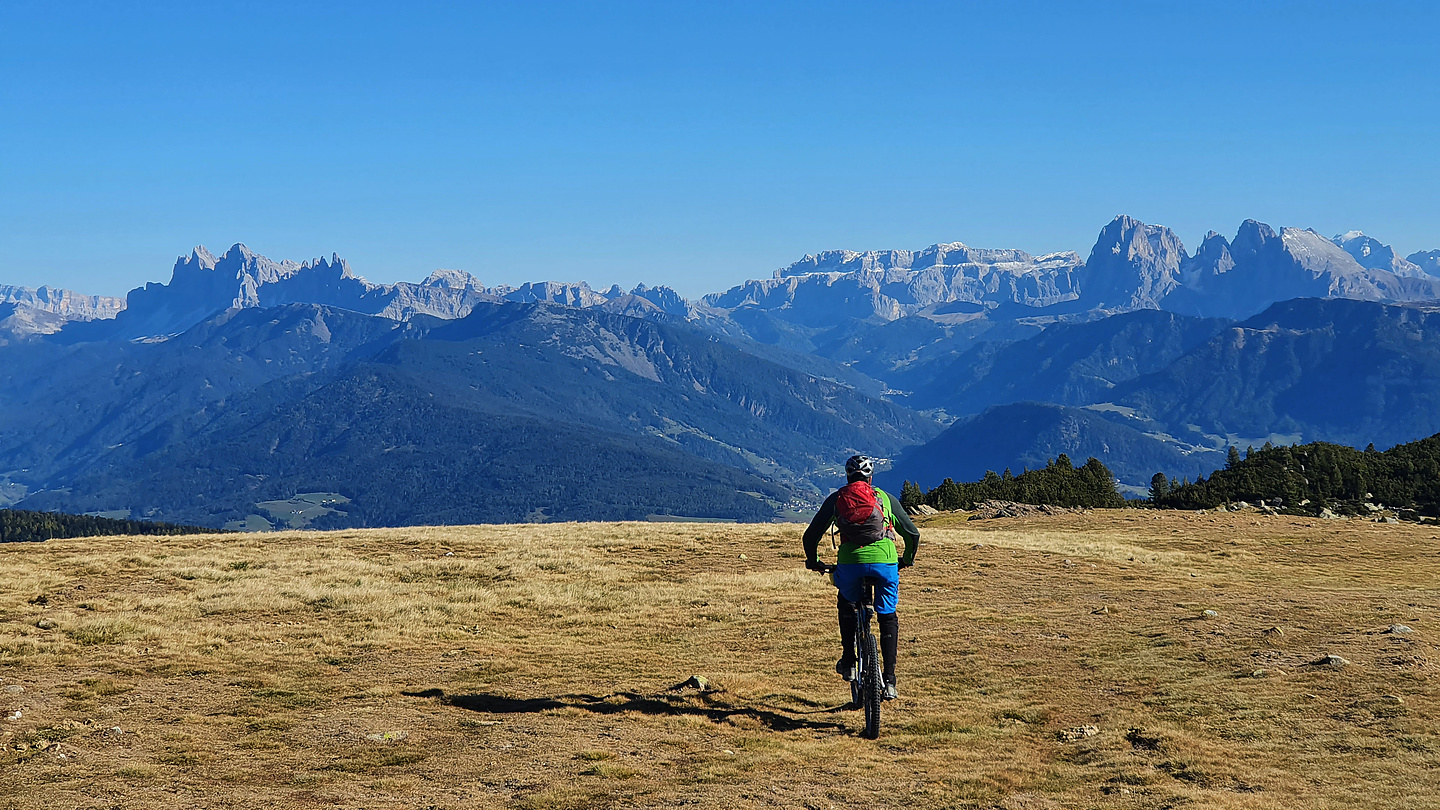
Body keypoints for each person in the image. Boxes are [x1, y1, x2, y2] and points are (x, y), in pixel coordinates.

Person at [802, 454, 919, 700]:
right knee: (888, 616)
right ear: (870, 476)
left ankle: (849, 661)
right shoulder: (884, 498)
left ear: (847, 476)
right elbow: (912, 533)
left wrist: (813, 561)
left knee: (846, 601)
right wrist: (906, 559)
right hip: (885, 564)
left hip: (851, 563)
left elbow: (810, 536)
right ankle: (890, 679)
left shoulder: (837, 499)